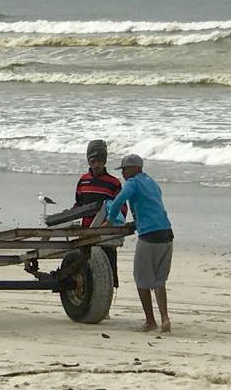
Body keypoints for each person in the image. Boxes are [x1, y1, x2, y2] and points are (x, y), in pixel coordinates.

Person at [102, 154, 173, 333]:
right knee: (159, 280)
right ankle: (165, 318)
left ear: (134, 168)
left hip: (149, 235)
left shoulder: (133, 183)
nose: (123, 173)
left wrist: (110, 220)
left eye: (125, 169)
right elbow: (152, 206)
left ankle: (150, 321)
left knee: (142, 280)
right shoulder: (152, 183)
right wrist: (137, 221)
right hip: (166, 233)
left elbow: (119, 200)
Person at [72, 139, 126, 286]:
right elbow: (78, 204)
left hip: (105, 232)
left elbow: (122, 207)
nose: (96, 165)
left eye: (99, 161)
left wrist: (111, 223)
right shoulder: (83, 181)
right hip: (85, 232)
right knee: (85, 271)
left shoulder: (114, 183)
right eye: (93, 161)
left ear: (104, 161)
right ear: (88, 161)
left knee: (108, 272)